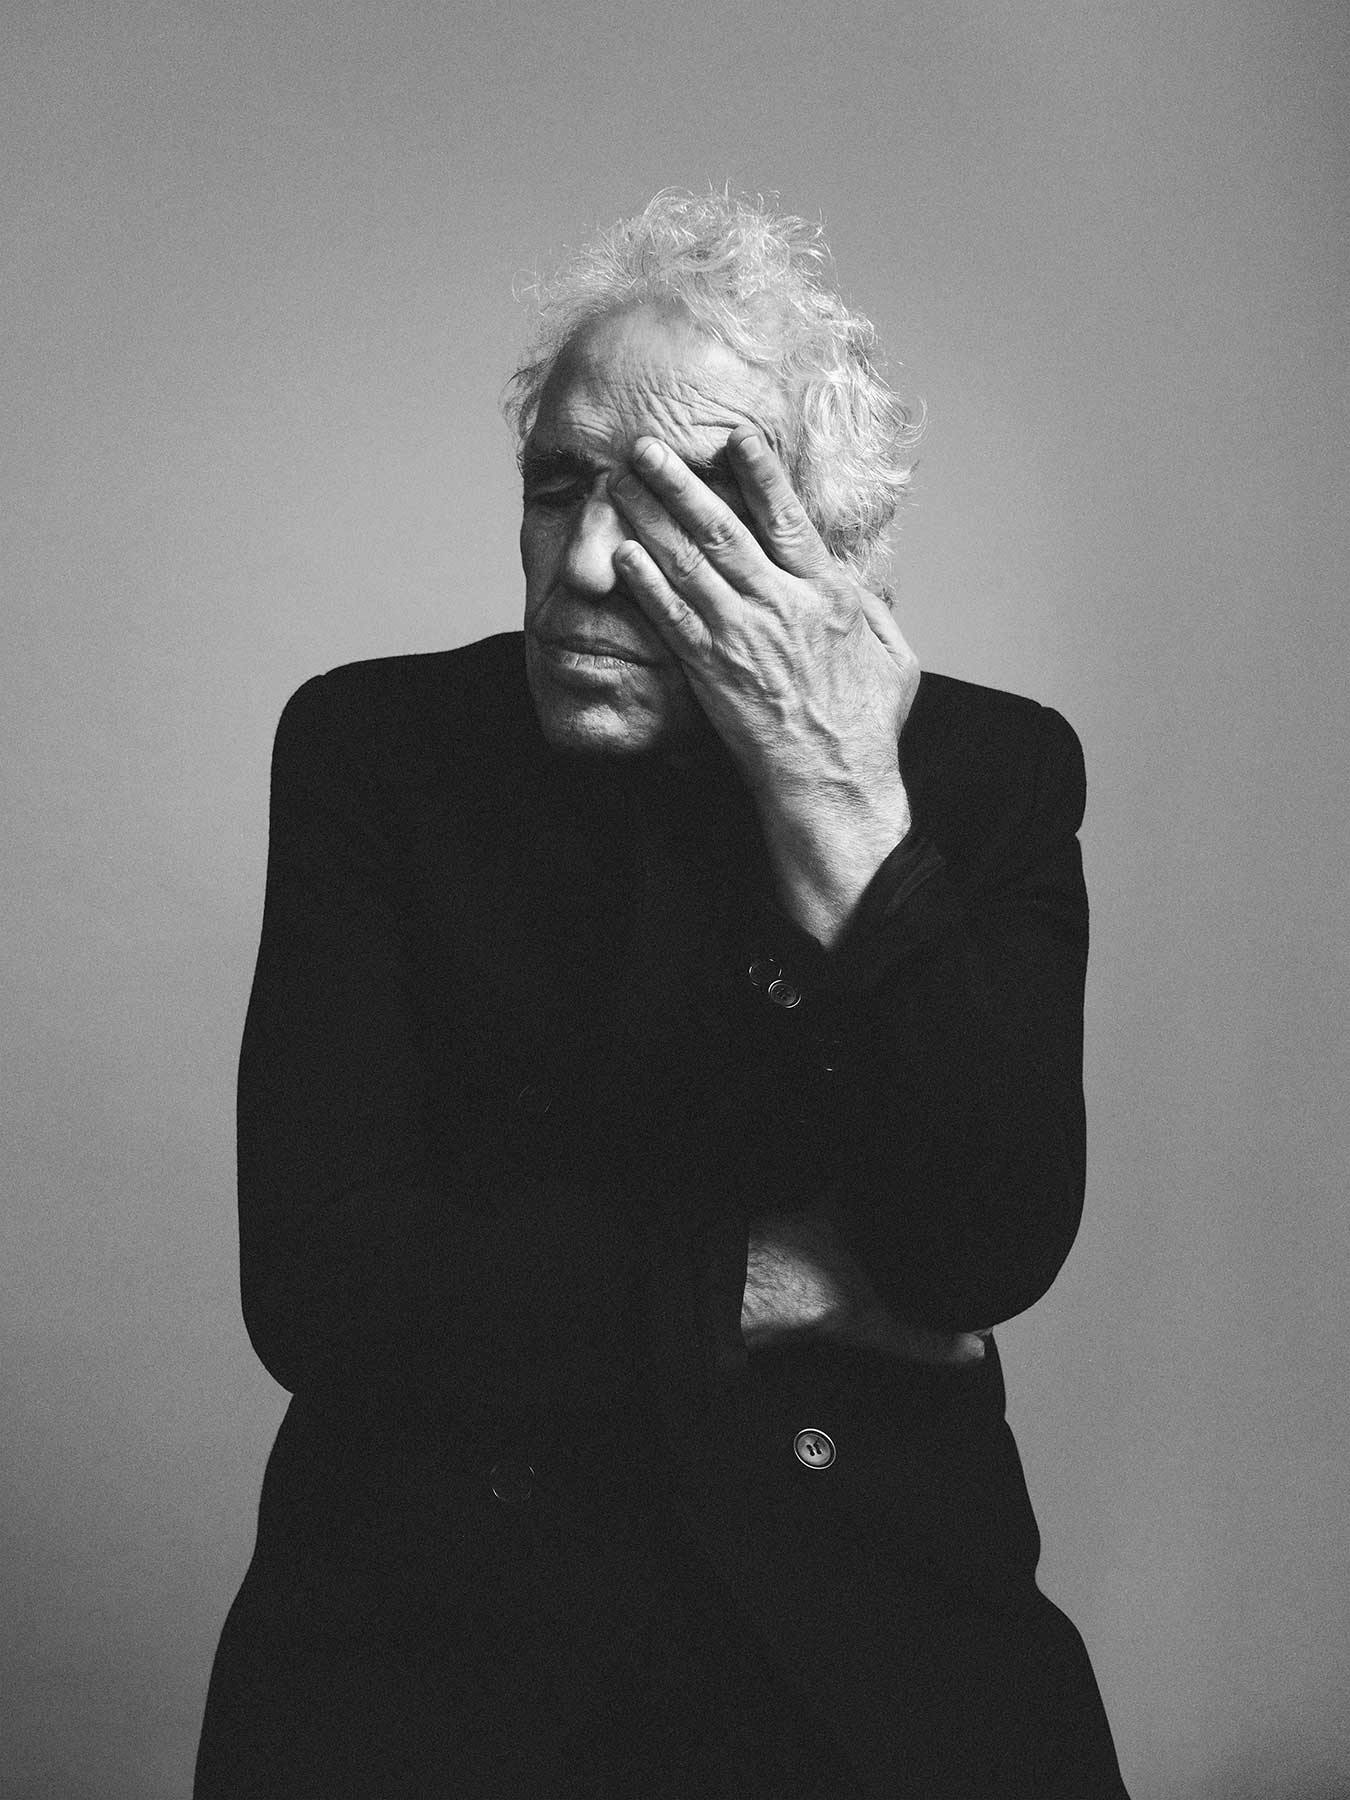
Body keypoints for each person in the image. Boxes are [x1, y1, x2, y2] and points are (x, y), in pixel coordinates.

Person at [194, 191, 1131, 1798]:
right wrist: (766, 1282)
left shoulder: (985, 773)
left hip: (863, 1622)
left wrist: (837, 801)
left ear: (825, 556)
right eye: (559, 485)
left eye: (684, 509)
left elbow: (983, 1247)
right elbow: (323, 1292)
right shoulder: (375, 751)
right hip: (431, 1635)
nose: (586, 564)